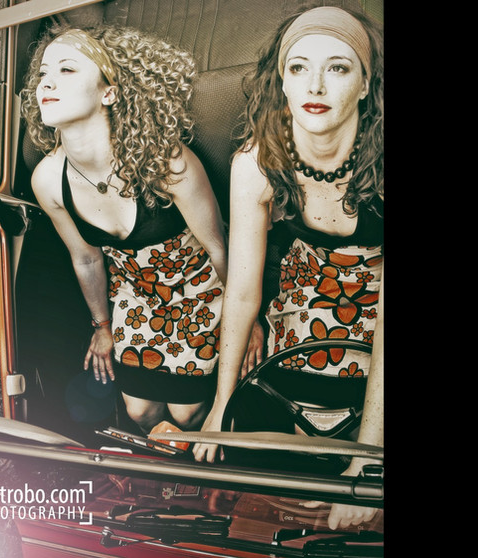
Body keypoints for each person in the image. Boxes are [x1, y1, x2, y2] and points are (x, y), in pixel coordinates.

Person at [192, 6, 384, 530]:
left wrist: (369, 462)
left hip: (373, 298)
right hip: (302, 297)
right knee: (288, 430)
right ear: (282, 81)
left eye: (338, 68)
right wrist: (222, 406)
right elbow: (242, 293)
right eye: (298, 67)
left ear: (366, 85)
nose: (315, 85)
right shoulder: (256, 162)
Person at [21, 25, 227, 434]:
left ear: (109, 93)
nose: (46, 82)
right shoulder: (47, 179)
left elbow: (219, 248)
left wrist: (246, 321)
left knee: (186, 415)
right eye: (43, 73)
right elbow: (86, 258)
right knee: (139, 413)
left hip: (200, 289)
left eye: (66, 69)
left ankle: (200, 462)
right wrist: (102, 326)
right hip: (135, 296)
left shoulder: (168, 161)